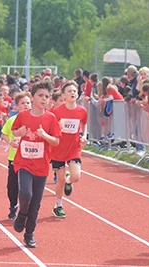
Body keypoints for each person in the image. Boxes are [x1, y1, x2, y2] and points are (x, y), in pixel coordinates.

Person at [12, 81, 61, 248]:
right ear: (32, 97)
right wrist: (19, 133)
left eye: (47, 96)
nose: (44, 99)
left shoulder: (51, 118)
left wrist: (45, 135)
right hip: (24, 163)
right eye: (40, 95)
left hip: (41, 166)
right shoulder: (23, 116)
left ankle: (29, 233)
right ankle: (22, 214)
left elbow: (55, 141)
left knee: (36, 204)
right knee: (25, 195)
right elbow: (14, 131)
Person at [51, 81, 88, 218]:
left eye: (74, 91)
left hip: (74, 148)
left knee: (76, 177)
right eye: (69, 91)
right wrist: (57, 128)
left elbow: (84, 124)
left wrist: (84, 136)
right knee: (59, 181)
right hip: (58, 149)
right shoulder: (57, 111)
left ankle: (69, 181)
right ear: (63, 95)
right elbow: (51, 128)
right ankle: (58, 206)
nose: (73, 93)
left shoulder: (82, 111)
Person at [1, 92, 32, 220]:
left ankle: (26, 210)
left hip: (30, 159)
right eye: (23, 103)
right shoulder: (11, 120)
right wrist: (10, 142)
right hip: (14, 159)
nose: (26, 105)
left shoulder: (35, 120)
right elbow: (4, 134)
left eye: (28, 103)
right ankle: (13, 206)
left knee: (27, 188)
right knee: (12, 186)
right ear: (17, 106)